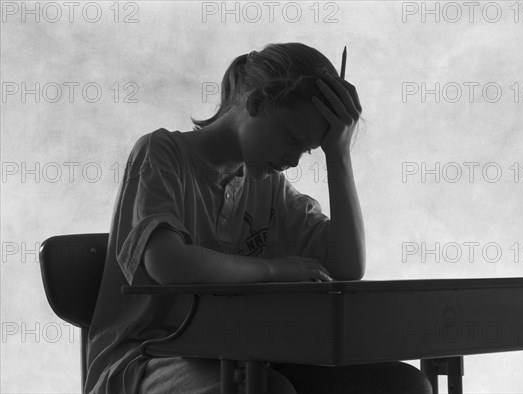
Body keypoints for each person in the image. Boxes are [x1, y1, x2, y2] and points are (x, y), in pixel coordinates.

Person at [84, 42, 433, 394]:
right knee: (268, 390)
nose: (295, 159)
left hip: (247, 354)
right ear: (256, 102)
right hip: (146, 359)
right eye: (293, 138)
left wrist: (338, 155)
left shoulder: (270, 188)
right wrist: (277, 269)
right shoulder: (159, 153)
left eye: (309, 149)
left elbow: (346, 266)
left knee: (404, 385)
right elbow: (167, 263)